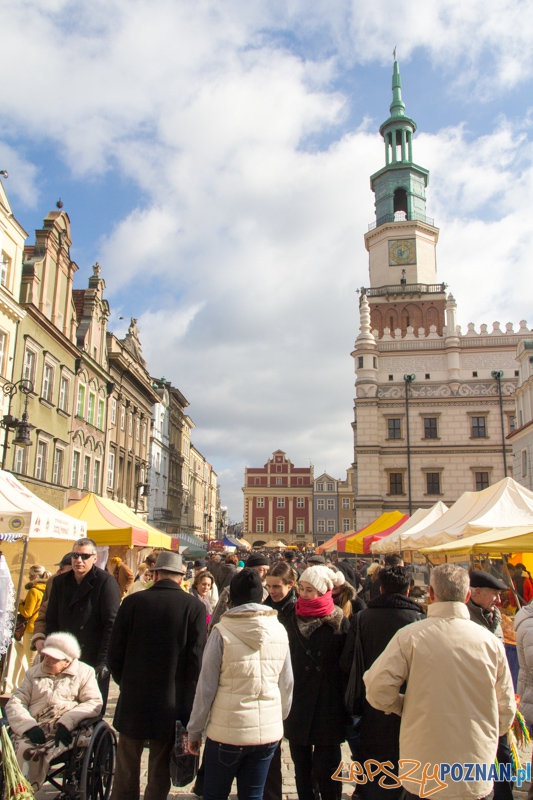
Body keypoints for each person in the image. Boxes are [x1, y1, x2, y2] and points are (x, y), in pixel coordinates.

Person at [364, 564, 516, 800]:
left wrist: (403, 706)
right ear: (467, 596)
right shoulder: (490, 642)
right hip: (474, 767)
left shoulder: (411, 636)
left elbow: (377, 690)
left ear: (432, 594)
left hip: (424, 767)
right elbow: (506, 708)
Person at [108, 551, 206, 800]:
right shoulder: (193, 606)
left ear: (154, 574)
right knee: (160, 765)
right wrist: (189, 698)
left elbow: (114, 653)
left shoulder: (132, 602)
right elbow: (196, 660)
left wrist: (125, 681)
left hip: (134, 696)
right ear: (182, 577)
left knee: (127, 763)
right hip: (170, 700)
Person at [187, 569, 293, 800]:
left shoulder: (221, 631)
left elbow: (206, 687)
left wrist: (195, 729)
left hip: (228, 733)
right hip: (268, 733)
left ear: (230, 598)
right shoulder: (279, 630)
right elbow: (287, 683)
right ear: (261, 597)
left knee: (214, 794)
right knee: (253, 796)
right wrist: (278, 717)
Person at [340, 566, 425, 800]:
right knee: (407, 760)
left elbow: (347, 662)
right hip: (409, 703)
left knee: (375, 761)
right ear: (408, 591)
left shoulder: (362, 618)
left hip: (371, 702)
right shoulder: (420, 620)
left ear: (380, 588)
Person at [284, 565, 349, 800]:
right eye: (301, 588)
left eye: (309, 590)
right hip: (298, 702)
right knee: (301, 767)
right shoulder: (291, 619)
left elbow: (347, 667)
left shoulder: (340, 622)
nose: (303, 594)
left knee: (328, 768)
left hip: (327, 706)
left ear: (323, 592)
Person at [6, 632, 102, 790]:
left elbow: (94, 702)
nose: (47, 661)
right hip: (34, 726)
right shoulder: (33, 673)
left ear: (67, 661)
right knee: (16, 749)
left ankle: (24, 791)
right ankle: (18, 791)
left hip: (66, 729)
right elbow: (16, 702)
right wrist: (28, 726)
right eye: (46, 656)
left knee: (33, 753)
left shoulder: (85, 673)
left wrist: (67, 722)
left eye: (53, 658)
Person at [45, 537, 121, 710]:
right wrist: (50, 651)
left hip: (91, 656)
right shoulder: (60, 582)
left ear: (95, 558)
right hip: (64, 655)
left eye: (85, 556)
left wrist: (103, 661)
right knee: (60, 706)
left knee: (89, 709)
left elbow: (111, 624)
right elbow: (51, 620)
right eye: (75, 555)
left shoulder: (105, 582)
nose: (79, 560)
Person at [468, 570, 513, 800]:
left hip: (495, 702)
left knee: (503, 756)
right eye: (494, 594)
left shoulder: (494, 616)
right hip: (473, 705)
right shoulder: (464, 619)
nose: (498, 600)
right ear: (476, 592)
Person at [209, 553, 270, 631]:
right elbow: (215, 622)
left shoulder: (267, 592)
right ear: (248, 570)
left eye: (267, 570)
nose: (266, 574)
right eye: (261, 570)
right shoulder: (230, 591)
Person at [12, 565, 51, 684]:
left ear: (34, 575)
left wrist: (19, 604)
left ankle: (31, 685)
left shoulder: (34, 590)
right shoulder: (46, 589)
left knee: (30, 660)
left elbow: (27, 612)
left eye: (29, 574)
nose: (28, 577)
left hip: (30, 628)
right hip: (38, 626)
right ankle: (16, 684)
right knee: (23, 658)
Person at [31, 554, 72, 654]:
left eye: (62, 568)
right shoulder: (55, 581)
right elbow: (43, 613)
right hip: (52, 643)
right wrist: (39, 636)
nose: (59, 571)